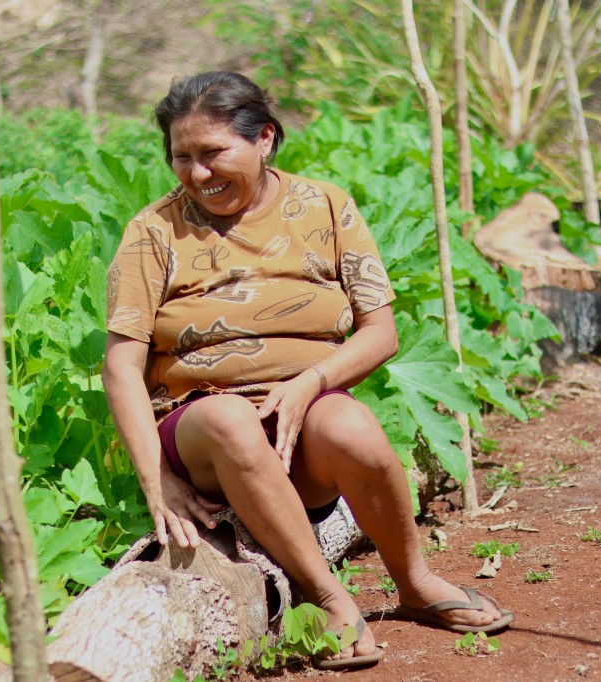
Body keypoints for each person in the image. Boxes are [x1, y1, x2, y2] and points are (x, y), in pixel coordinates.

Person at [101, 70, 513, 671]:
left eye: (214, 153)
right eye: (182, 157)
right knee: (228, 419)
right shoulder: (153, 232)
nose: (198, 174)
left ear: (264, 138)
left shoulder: (325, 206)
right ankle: (328, 597)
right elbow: (121, 365)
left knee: (350, 423)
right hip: (202, 433)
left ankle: (415, 581)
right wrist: (156, 479)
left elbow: (382, 332)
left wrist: (312, 382)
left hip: (303, 424)